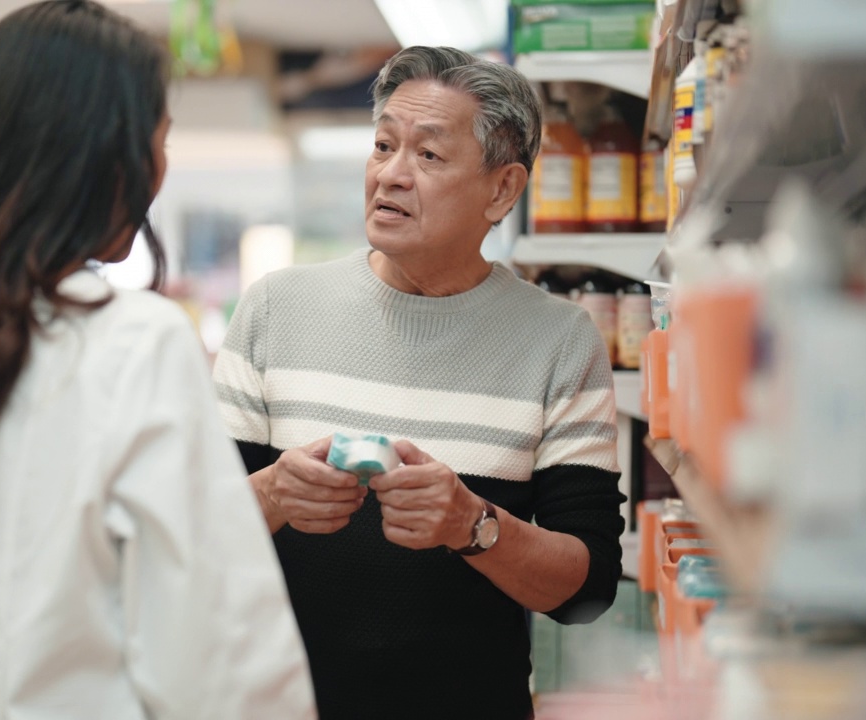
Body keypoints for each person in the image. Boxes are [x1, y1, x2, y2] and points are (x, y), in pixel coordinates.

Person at [0, 3, 316, 718]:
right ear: (104, 155)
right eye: (158, 138)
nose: (160, 166)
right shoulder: (131, 343)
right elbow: (219, 655)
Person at [212, 46, 625, 720]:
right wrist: (274, 493)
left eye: (428, 156)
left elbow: (586, 590)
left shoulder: (560, 340)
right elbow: (189, 538)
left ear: (502, 189)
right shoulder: (272, 310)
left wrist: (472, 525)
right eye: (383, 146)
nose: (391, 175)